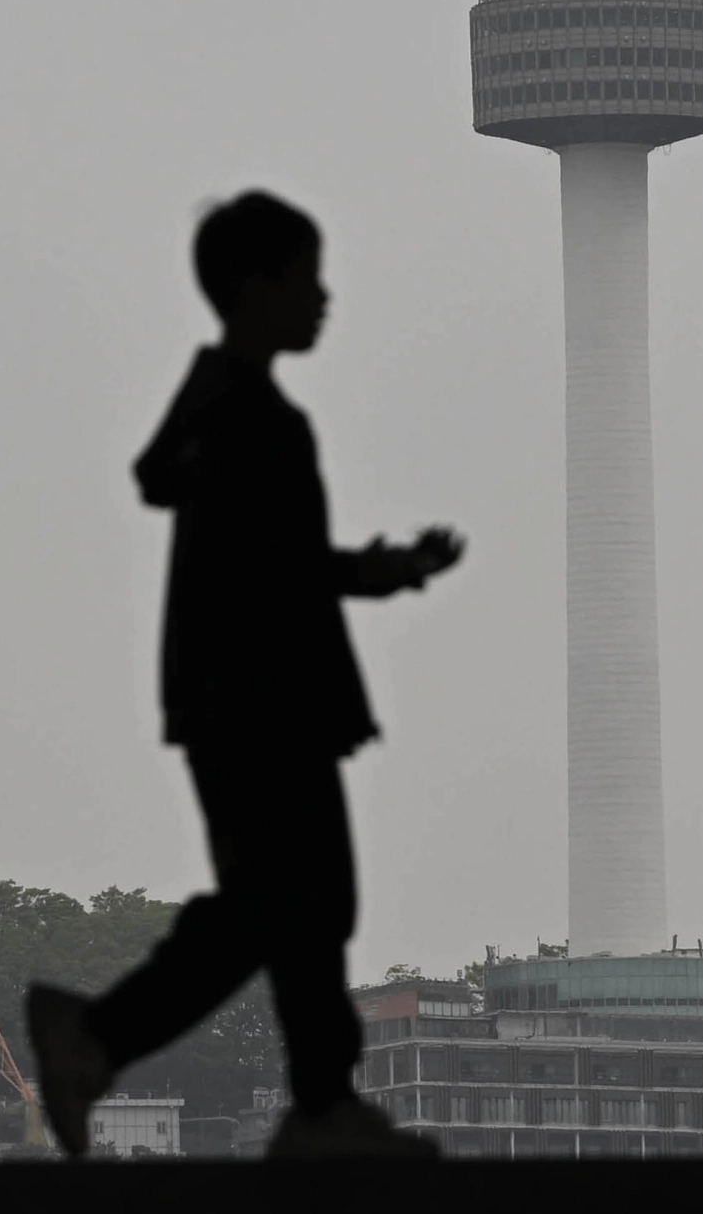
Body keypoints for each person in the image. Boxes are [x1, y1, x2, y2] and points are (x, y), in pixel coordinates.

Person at [28, 189, 465, 1161]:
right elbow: (281, 569)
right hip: (264, 699)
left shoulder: (221, 406)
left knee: (293, 901)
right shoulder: (251, 417)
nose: (324, 297)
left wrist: (374, 570)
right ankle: (122, 1042)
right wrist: (380, 572)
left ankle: (293, 1093)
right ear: (257, 288)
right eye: (307, 277)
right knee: (294, 900)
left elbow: (246, 542)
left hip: (238, 697)